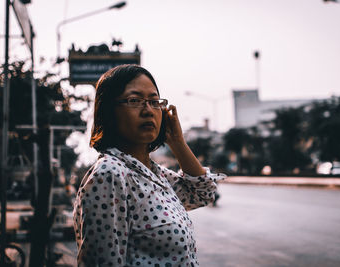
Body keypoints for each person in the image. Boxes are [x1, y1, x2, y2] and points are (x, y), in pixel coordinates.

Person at [73, 64, 226, 266]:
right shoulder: (110, 174)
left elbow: (203, 193)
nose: (148, 111)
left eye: (154, 102)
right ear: (109, 111)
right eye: (134, 101)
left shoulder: (153, 174)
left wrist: (177, 142)